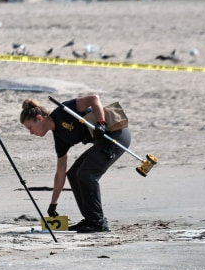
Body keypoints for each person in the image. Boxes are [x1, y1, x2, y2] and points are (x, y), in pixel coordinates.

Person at [19, 95, 131, 233]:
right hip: (102, 142)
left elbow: (93, 98)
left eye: (30, 127)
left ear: (39, 118)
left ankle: (98, 223)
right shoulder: (59, 138)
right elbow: (61, 172)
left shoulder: (64, 111)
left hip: (116, 134)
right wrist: (53, 204)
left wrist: (101, 123)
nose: (31, 133)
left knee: (86, 174)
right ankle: (90, 219)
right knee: (73, 174)